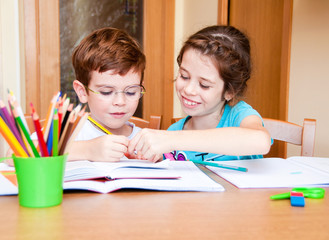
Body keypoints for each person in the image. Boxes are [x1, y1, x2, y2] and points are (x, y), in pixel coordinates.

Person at [128, 25, 271, 162]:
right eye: (184, 76)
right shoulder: (175, 130)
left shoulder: (239, 116)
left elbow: (261, 141)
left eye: (204, 85)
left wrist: (174, 139)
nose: (189, 90)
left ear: (230, 91)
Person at [69, 27, 146, 162]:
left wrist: (159, 157)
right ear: (82, 92)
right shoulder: (70, 132)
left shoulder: (143, 139)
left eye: (131, 92)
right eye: (106, 92)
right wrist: (88, 150)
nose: (120, 102)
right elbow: (27, 151)